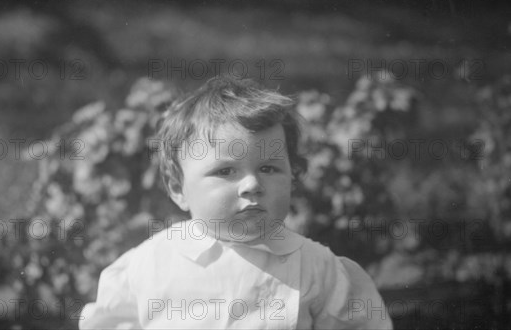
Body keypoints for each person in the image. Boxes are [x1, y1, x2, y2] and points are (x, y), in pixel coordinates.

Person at [79, 76, 393, 329]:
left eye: (269, 169)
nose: (253, 185)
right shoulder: (147, 268)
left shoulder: (317, 269)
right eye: (226, 171)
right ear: (178, 189)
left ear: (293, 176)